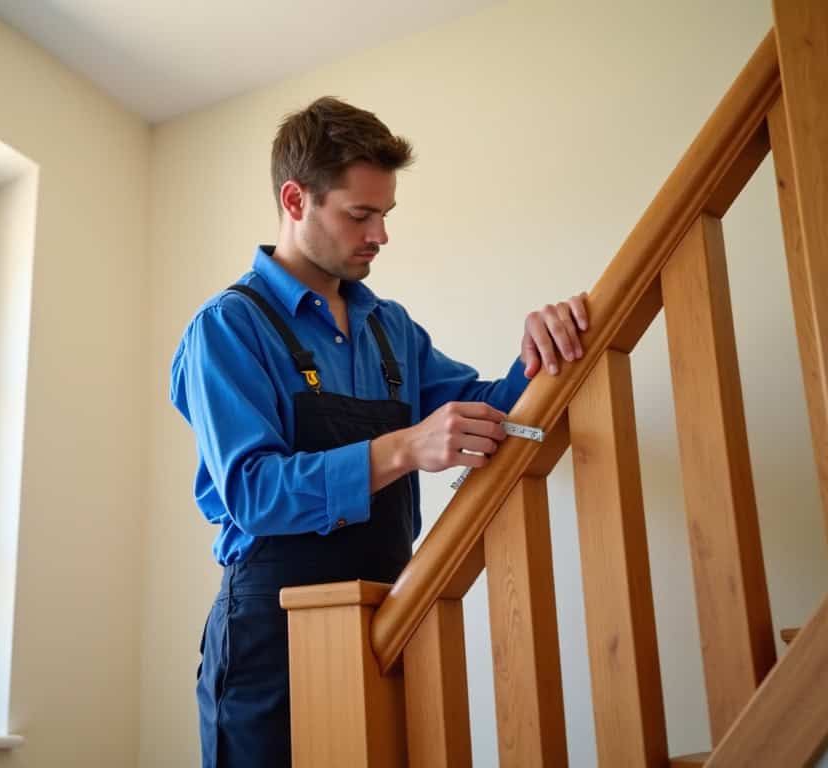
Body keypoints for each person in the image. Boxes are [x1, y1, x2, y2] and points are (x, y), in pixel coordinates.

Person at [169, 96, 589, 768]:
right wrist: (404, 446)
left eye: (385, 215)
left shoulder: (390, 327)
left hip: (387, 617)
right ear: (296, 200)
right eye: (360, 215)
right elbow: (253, 491)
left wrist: (539, 348)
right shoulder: (227, 328)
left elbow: (494, 414)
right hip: (268, 641)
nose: (380, 236)